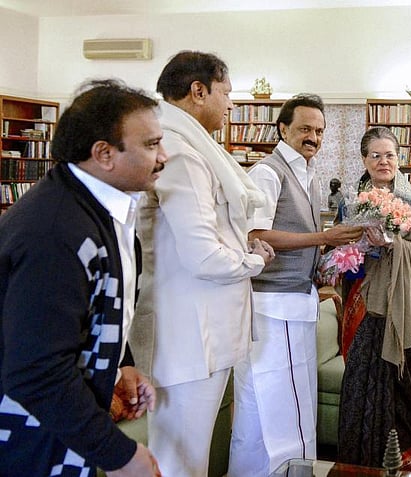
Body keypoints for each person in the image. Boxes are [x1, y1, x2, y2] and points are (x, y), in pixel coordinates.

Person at [0, 79, 163, 476]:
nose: (164, 157)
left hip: (61, 428)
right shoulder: (54, 232)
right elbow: (36, 372)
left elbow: (98, 306)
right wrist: (119, 455)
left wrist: (123, 364)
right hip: (27, 440)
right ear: (104, 154)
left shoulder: (102, 210)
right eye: (151, 145)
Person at [134, 50, 275, 477]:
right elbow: (203, 255)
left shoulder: (192, 144)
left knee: (188, 458)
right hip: (189, 339)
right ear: (198, 91)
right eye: (226, 93)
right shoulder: (180, 149)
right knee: (180, 462)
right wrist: (253, 259)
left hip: (201, 333)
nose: (231, 104)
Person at [229, 94, 363, 475]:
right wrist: (324, 239)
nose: (313, 137)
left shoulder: (310, 174)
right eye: (305, 129)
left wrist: (323, 263)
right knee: (272, 405)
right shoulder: (267, 173)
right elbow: (256, 234)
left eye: (319, 131)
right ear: (283, 129)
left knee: (289, 404)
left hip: (298, 302)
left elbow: (301, 234)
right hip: (273, 305)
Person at [336, 126, 411, 471]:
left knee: (402, 393)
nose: (383, 162)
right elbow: (339, 248)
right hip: (364, 305)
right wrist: (353, 250)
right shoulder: (351, 203)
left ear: (399, 159)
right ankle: (360, 466)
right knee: (358, 387)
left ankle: (404, 467)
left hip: (404, 308)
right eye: (376, 155)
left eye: (390, 155)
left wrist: (393, 244)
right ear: (364, 160)